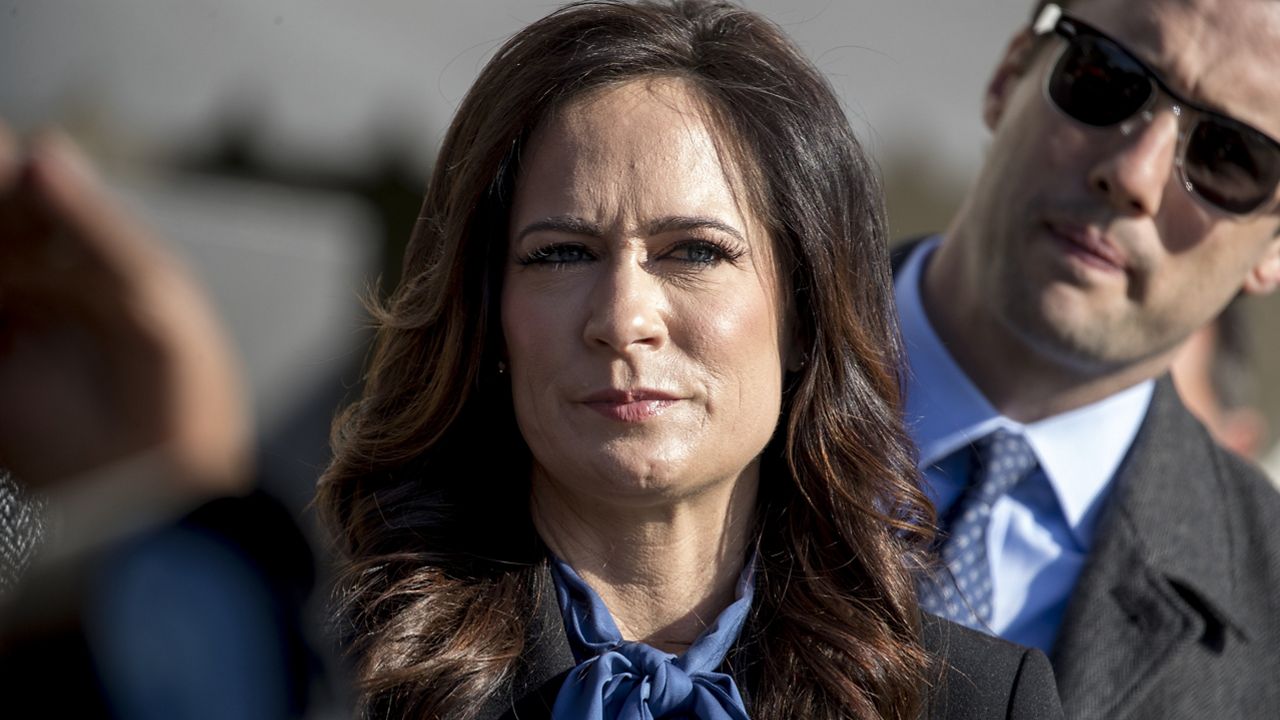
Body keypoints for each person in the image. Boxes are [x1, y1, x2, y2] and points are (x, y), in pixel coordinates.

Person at [316, 1, 1061, 718]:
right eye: (562, 254)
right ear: (488, 314)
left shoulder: (979, 702)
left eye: (695, 252)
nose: (622, 319)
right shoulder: (325, 669)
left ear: (806, 312)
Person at [899, 0, 1280, 717]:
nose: (1134, 176)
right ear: (1009, 74)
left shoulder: (1269, 627)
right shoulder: (681, 386)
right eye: (1110, 76)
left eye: (1230, 155)